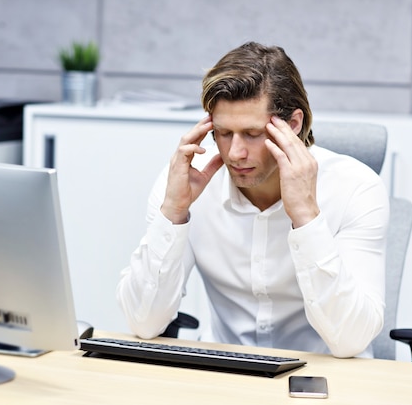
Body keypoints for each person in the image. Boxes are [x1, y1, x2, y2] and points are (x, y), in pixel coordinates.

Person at [116, 41, 389, 358]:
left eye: (252, 133)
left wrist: (306, 218)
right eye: (223, 132)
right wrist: (173, 214)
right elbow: (143, 322)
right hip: (224, 377)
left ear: (293, 124)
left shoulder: (356, 187)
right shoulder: (183, 183)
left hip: (326, 380)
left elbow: (351, 341)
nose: (235, 153)